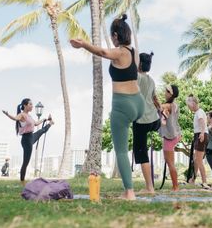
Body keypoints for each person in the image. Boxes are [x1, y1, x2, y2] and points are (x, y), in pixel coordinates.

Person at [70, 14, 144, 200]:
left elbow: (103, 53)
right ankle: (131, 188)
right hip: (139, 102)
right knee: (133, 145)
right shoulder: (134, 52)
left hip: (123, 104)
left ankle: (129, 192)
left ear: (116, 36)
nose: (111, 40)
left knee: (121, 151)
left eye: (112, 36)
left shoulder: (120, 52)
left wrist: (83, 44)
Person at [2, 98, 53, 184]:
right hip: (26, 140)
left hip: (31, 136)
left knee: (42, 131)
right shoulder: (22, 115)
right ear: (25, 105)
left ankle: (50, 123)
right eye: (30, 104)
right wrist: (7, 114)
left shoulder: (29, 116)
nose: (32, 106)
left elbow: (36, 123)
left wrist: (45, 119)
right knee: (26, 162)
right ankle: (22, 181)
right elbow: (15, 118)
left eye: (32, 104)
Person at [133, 51, 161, 194]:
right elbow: (155, 99)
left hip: (141, 121)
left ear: (139, 64)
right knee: (142, 152)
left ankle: (149, 188)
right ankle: (149, 186)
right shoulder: (151, 80)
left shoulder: (137, 77)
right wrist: (160, 110)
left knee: (141, 154)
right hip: (154, 120)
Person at [159, 84, 181, 191]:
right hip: (174, 135)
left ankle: (175, 186)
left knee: (170, 162)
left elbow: (160, 107)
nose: (164, 93)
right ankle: (175, 185)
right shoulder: (175, 105)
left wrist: (152, 99)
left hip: (170, 137)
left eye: (166, 91)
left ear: (170, 94)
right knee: (170, 161)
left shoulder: (170, 105)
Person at [186, 94, 209, 188]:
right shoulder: (198, 112)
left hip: (201, 134)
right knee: (196, 159)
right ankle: (193, 179)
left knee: (199, 160)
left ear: (193, 103)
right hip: (199, 134)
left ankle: (204, 182)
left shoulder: (199, 112)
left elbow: (202, 122)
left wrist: (202, 133)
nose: (188, 107)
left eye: (189, 105)